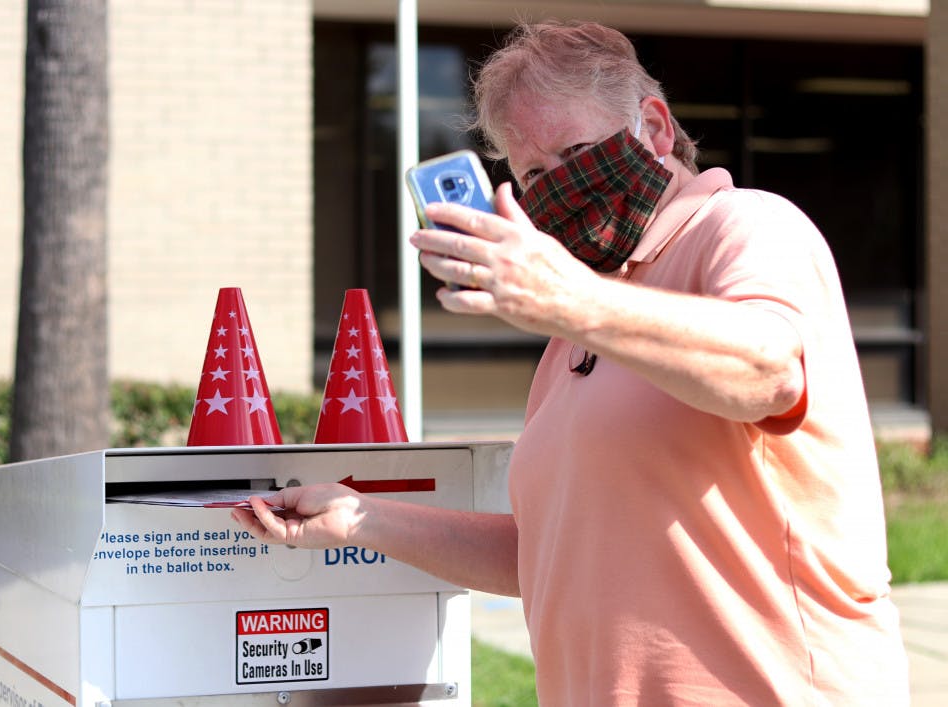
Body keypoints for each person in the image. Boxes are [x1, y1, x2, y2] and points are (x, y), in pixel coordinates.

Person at [233, 19, 910, 705]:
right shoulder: (572, 334)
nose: (560, 187)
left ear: (654, 127)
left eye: (579, 151)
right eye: (533, 175)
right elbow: (548, 553)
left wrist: (569, 300)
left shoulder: (745, 226)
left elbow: (770, 368)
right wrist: (362, 519)